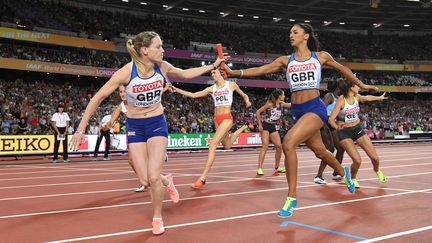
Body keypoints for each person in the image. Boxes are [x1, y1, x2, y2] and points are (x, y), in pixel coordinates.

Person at [70, 31, 223, 235]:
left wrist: (212, 66)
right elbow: (96, 98)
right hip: (135, 127)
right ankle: (167, 180)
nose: (163, 50)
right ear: (144, 50)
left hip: (157, 124)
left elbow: (185, 73)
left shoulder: (162, 66)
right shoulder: (126, 73)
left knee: (152, 178)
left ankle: (157, 217)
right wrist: (81, 129)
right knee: (144, 180)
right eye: (158, 46)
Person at [224, 23, 379, 217]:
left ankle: (291, 198)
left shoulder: (320, 56)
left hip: (315, 108)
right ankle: (344, 173)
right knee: (320, 151)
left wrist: (361, 84)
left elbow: (343, 69)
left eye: (295, 32)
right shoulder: (285, 60)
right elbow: (261, 69)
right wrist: (235, 73)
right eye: (290, 32)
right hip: (297, 111)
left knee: (288, 143)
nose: (291, 35)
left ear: (306, 36)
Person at [172, 68, 251, 189]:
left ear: (221, 73)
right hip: (217, 119)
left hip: (227, 118)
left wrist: (247, 100)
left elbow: (244, 94)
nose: (212, 74)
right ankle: (243, 128)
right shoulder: (211, 89)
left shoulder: (231, 85)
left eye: (214, 72)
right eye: (211, 73)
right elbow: (193, 95)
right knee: (227, 145)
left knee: (212, 145)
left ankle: (202, 178)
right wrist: (176, 89)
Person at [103, 85, 169, 193]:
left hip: (147, 128)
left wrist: (165, 88)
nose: (123, 94)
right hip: (133, 131)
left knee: (146, 160)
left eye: (125, 91)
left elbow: (153, 95)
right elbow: (112, 119)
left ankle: (159, 154)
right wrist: (107, 125)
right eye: (120, 92)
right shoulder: (121, 106)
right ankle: (147, 180)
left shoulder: (138, 99)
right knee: (131, 161)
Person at [328, 79, 387, 189]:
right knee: (357, 160)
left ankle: (377, 170)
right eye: (357, 85)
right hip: (345, 132)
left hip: (357, 129)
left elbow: (367, 97)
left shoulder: (356, 96)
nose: (359, 87)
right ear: (351, 88)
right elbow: (331, 119)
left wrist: (379, 98)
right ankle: (353, 178)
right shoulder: (341, 100)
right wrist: (337, 127)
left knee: (375, 158)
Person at [314, 80, 345, 184]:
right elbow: (320, 108)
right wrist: (323, 124)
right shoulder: (329, 96)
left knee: (340, 149)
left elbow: (337, 114)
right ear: (338, 88)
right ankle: (318, 176)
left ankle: (336, 172)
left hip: (332, 123)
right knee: (330, 150)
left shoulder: (338, 98)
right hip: (325, 124)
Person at [255, 89, 291, 176]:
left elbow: (291, 105)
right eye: (283, 95)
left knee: (279, 147)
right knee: (265, 147)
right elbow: (257, 112)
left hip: (274, 127)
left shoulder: (282, 104)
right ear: (279, 96)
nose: (284, 96)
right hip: (266, 126)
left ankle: (277, 167)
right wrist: (260, 125)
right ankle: (259, 168)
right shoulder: (271, 104)